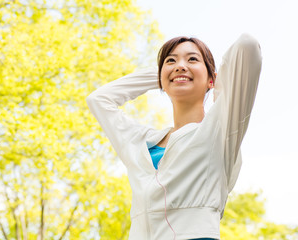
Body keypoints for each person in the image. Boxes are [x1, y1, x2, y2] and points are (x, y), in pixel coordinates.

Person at [86, 33, 262, 240]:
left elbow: (248, 46)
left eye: (192, 59)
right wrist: (164, 75)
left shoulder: (219, 129)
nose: (180, 65)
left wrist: (208, 80)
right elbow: (98, 99)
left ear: (212, 79)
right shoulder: (140, 142)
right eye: (171, 60)